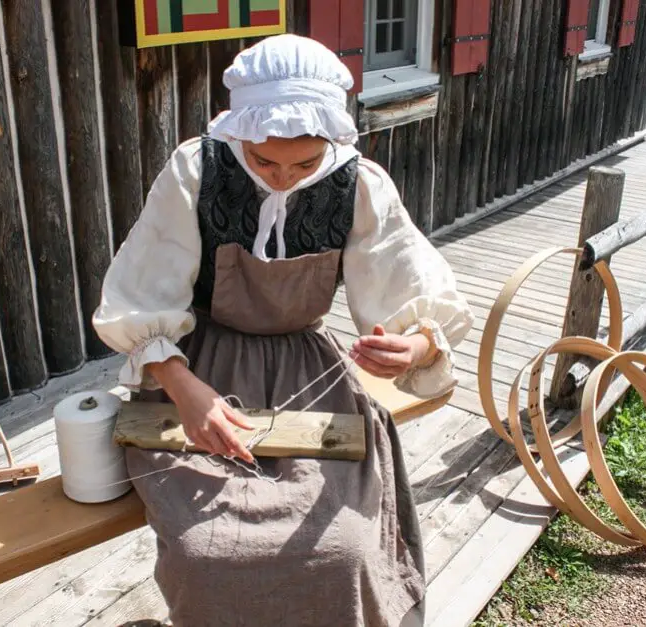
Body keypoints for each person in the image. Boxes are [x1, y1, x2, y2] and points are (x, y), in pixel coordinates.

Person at [93, 34, 474, 627]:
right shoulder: (197, 170)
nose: (279, 177)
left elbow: (416, 290)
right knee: (205, 553)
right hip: (197, 371)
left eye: (303, 163)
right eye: (264, 160)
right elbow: (137, 297)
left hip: (309, 374)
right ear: (238, 127)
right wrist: (182, 386)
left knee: (341, 549)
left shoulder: (358, 184)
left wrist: (416, 345)